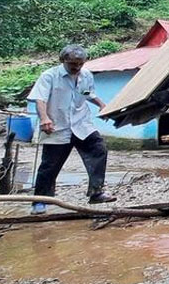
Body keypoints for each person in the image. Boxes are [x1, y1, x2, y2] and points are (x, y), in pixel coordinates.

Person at [27, 45, 115, 214]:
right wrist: (44, 118)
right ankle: (40, 201)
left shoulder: (86, 75)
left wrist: (102, 105)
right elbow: (40, 99)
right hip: (58, 126)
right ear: (63, 61)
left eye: (80, 64)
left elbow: (88, 93)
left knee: (99, 149)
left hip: (81, 124)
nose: (76, 67)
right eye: (73, 64)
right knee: (50, 165)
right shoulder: (49, 76)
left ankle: (96, 193)